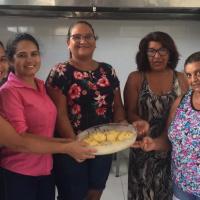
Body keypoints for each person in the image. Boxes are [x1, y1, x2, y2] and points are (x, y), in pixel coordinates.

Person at [46, 20, 140, 200]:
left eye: (88, 36)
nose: (83, 41)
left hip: (103, 146)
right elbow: (59, 114)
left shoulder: (107, 70)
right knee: (73, 195)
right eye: (77, 37)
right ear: (68, 43)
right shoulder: (60, 71)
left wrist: (123, 128)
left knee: (96, 191)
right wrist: (75, 146)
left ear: (95, 41)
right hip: (69, 145)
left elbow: (118, 106)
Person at [0, 33, 95, 200]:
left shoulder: (42, 86)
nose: (30, 60)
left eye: (34, 54)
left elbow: (45, 131)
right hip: (20, 173)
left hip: (45, 170)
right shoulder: (9, 92)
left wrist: (72, 143)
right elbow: (20, 140)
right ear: (11, 60)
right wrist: (68, 147)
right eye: (22, 55)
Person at [124, 31, 189, 200]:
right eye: (151, 51)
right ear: (144, 54)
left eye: (162, 51)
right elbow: (129, 111)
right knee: (141, 194)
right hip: (143, 146)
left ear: (170, 53)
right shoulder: (136, 78)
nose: (157, 56)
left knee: (166, 192)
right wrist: (138, 121)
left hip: (171, 149)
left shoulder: (181, 79)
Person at [140, 51, 200, 199]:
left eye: (198, 73)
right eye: (189, 75)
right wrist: (153, 144)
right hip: (182, 186)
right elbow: (167, 139)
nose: (194, 80)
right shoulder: (181, 101)